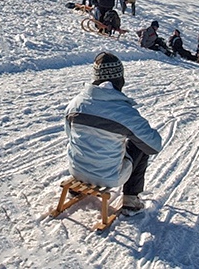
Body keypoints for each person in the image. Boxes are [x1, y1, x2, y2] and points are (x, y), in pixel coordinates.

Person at [64, 52, 162, 212]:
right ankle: (131, 199)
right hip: (108, 177)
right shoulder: (124, 112)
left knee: (81, 138)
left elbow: (68, 134)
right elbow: (154, 146)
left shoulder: (76, 104)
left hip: (75, 169)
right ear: (119, 79)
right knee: (140, 146)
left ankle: (78, 184)